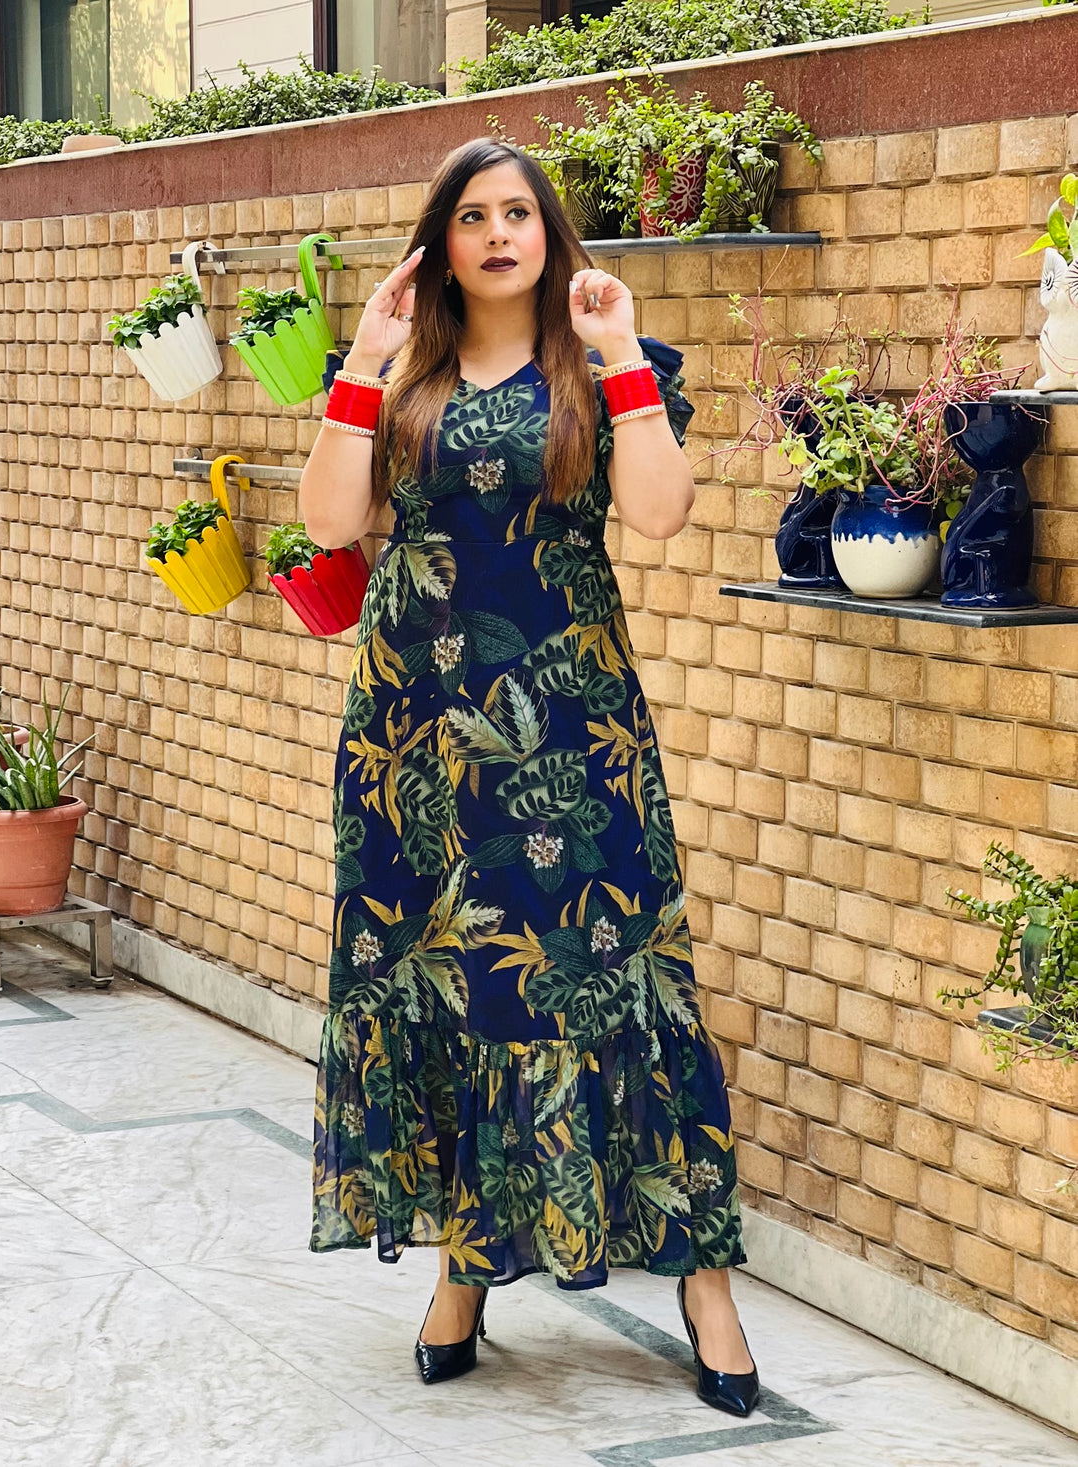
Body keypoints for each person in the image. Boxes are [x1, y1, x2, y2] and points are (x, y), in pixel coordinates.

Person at [299, 137, 759, 1418]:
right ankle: (465, 1266)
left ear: (549, 234)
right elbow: (331, 524)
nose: (497, 234)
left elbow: (656, 514)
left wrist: (618, 357)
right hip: (414, 734)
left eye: (518, 212)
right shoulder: (399, 374)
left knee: (621, 971)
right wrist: (360, 359)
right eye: (471, 216)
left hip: (567, 724)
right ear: (439, 245)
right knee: (447, 977)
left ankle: (703, 1280)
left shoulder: (605, 363)